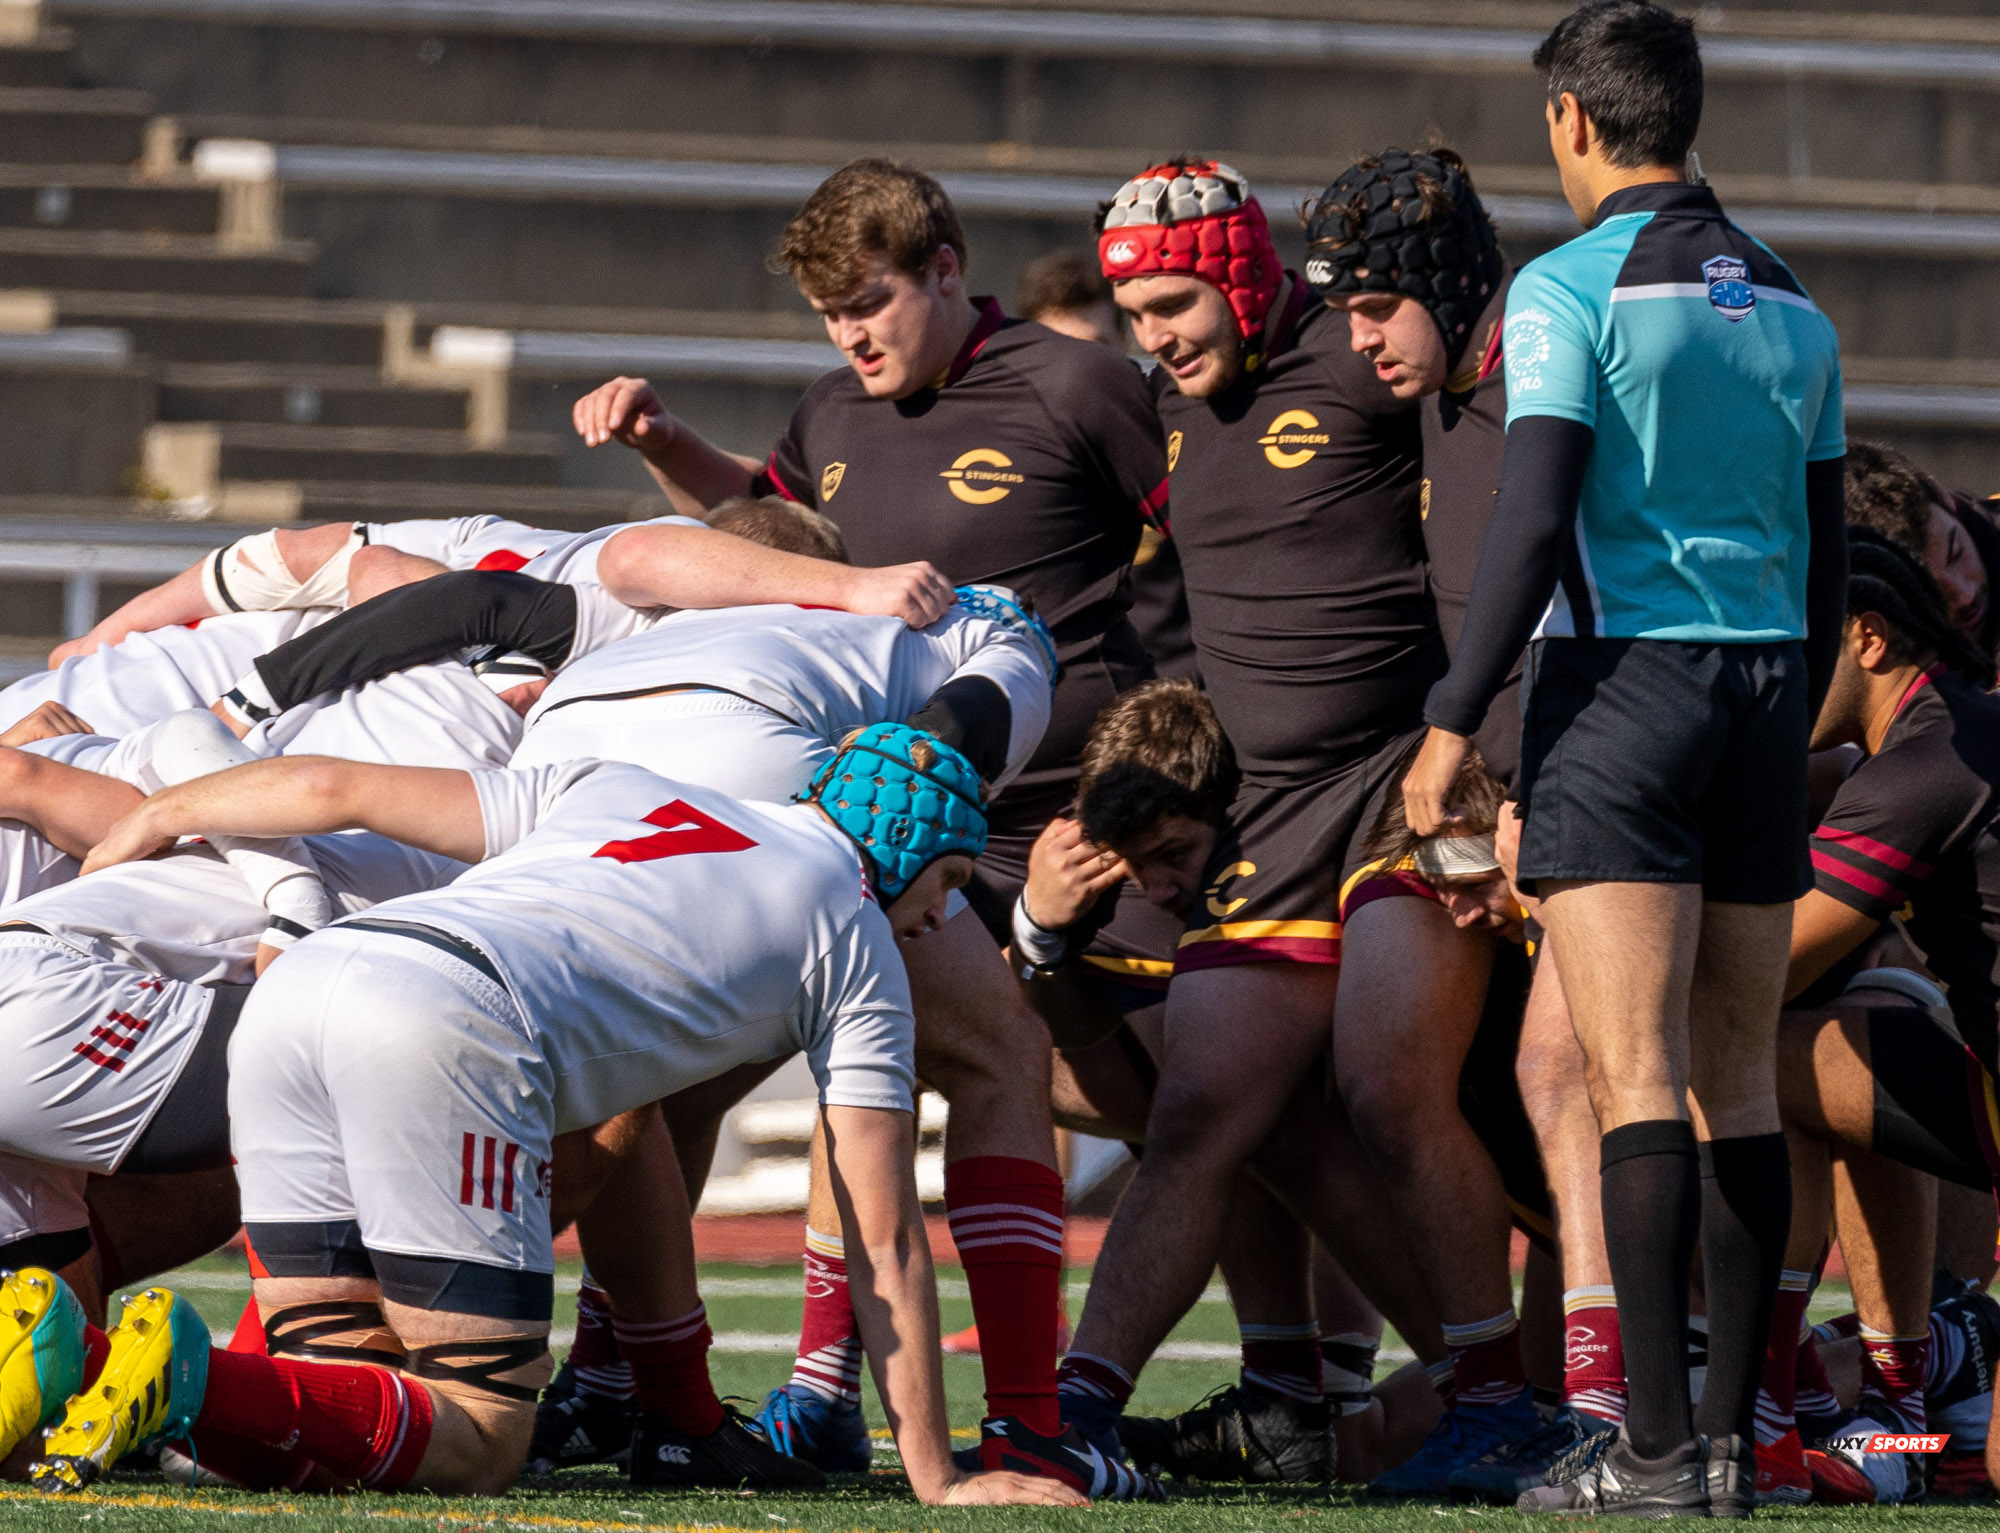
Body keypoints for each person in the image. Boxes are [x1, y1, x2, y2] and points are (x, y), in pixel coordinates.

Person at [30, 728, 1083, 1507]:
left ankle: (78, 1362)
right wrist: (937, 1474)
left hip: (304, 985)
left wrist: (162, 809)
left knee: (340, 1398)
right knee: (486, 1432)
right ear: (908, 855)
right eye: (948, 883)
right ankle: (180, 1376)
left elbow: (333, 786)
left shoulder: (619, 784)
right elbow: (883, 1235)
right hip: (451, 1017)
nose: (939, 918)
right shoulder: (855, 933)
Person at [572, 158, 1175, 1486]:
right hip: (890, 823)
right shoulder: (834, 405)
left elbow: (1223, 540)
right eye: (829, 314)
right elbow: (769, 534)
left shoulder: (1077, 385)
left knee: (1195, 1096)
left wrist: (1185, 739)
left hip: (1068, 820)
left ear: (946, 269)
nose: (850, 334)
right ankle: (682, 1381)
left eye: (870, 303)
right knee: (732, 1068)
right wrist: (666, 444)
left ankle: (1266, 1380)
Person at [1401, 2, 1848, 1515]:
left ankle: (1650, 1450)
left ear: (1573, 121)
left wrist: (1451, 720)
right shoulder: (1790, 301)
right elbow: (1826, 559)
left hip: (1622, 689)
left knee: (1632, 1073)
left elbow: (1531, 516)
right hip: (1766, 689)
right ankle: (1731, 1444)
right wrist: (1785, 713)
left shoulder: (1564, 287)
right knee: (1740, 1081)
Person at [1065, 154, 1452, 1466]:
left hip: (1406, 794)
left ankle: (1534, 1387)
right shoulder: (1159, 410)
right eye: (1135, 317)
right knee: (1203, 1105)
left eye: (1173, 306)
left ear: (1239, 276)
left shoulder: (1363, 364)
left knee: (1400, 1092)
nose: (1156, 339)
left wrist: (1483, 746)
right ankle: (1075, 1411)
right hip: (1268, 821)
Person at [1301, 147, 1548, 1489]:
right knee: (1385, 1071)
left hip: (1576, 803)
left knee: (1582, 1105)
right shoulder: (1432, 402)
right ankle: (1495, 1391)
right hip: (1464, 802)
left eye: (1376, 307)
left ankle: (1869, 1377)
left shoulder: (1549, 389)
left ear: (1451, 286)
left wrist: (1538, 807)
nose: (1359, 342)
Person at [1770, 530, 2000, 1501]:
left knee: (1723, 1044)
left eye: (1789, 648)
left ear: (1866, 638)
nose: (1769, 674)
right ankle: (1905, 1398)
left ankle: (1791, 1395)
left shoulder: (1923, 766)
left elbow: (1758, 970)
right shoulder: (1945, 731)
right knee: (1812, 1049)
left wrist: (1561, 899)